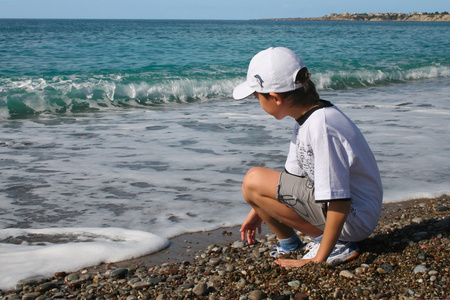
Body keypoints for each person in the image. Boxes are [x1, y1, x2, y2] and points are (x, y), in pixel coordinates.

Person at [232, 47, 383, 268]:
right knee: (253, 186)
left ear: (275, 98)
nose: (257, 102)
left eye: (257, 97)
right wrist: (258, 208)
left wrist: (317, 260)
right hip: (347, 214)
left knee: (253, 179)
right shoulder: (307, 119)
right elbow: (290, 179)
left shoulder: (322, 126)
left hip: (353, 218)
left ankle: (333, 246)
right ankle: (291, 246)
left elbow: (339, 200)